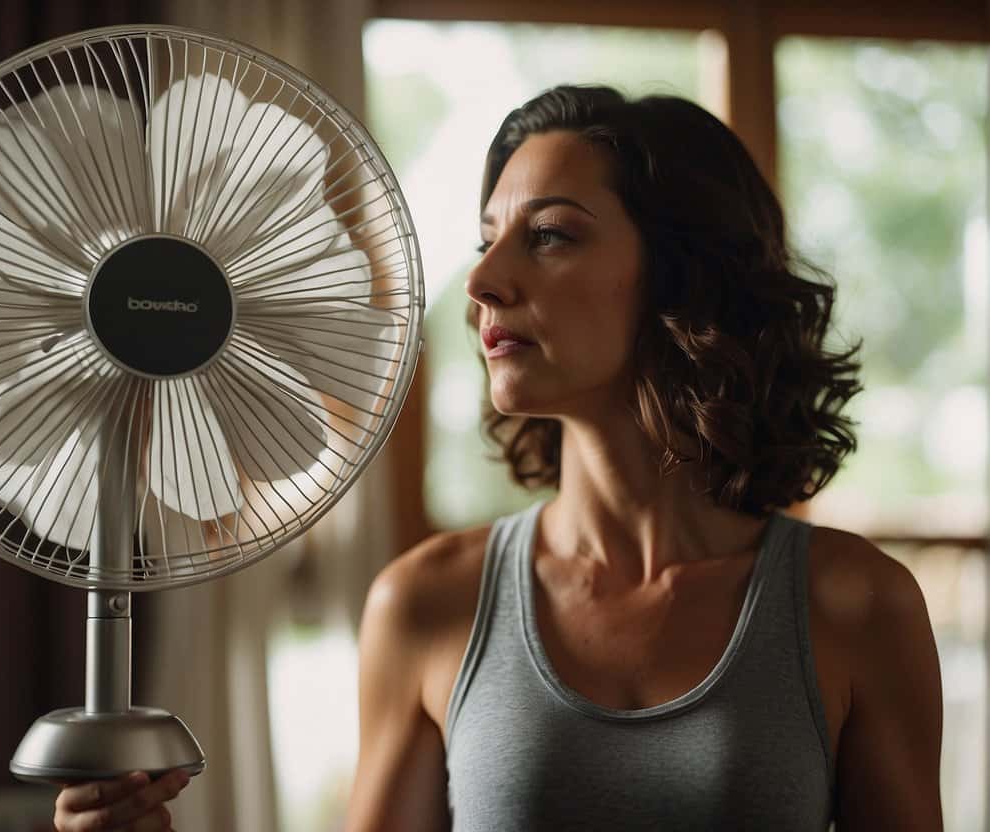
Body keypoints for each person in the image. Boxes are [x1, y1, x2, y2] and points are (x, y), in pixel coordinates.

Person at [54, 85, 944, 831]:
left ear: (683, 273)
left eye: (548, 234)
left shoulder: (854, 605)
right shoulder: (426, 603)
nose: (481, 280)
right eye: (487, 238)